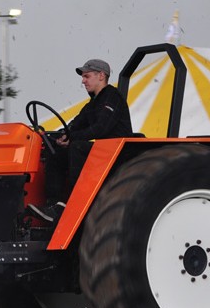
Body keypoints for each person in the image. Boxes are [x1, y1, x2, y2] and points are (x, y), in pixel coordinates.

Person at [27, 58, 133, 223]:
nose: (83, 81)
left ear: (101, 76)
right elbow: (75, 124)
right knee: (55, 150)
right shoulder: (92, 104)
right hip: (102, 152)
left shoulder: (112, 97)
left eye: (86, 76)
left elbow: (101, 129)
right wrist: (60, 136)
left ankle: (74, 204)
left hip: (117, 154)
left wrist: (72, 138)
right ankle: (54, 205)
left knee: (77, 147)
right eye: (83, 77)